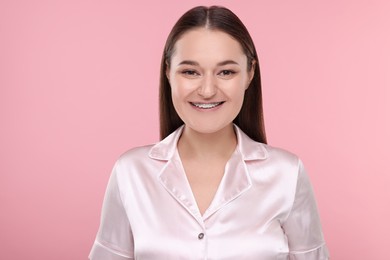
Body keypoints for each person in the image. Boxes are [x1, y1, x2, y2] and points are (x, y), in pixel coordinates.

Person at [89, 5, 329, 260]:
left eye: (226, 72)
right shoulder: (131, 172)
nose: (206, 90)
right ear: (168, 72)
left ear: (250, 74)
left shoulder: (287, 174)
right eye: (190, 72)